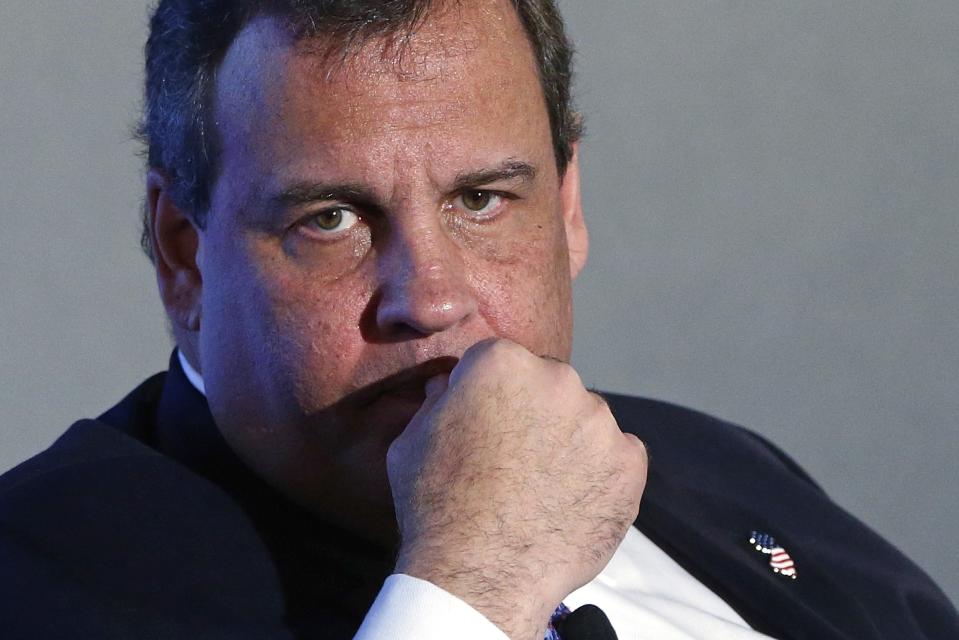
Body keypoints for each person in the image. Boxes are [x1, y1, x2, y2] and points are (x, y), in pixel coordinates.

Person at [0, 1, 955, 638]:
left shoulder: (717, 466)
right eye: (330, 220)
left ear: (569, 207)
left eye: (483, 200)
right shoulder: (36, 579)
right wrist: (469, 587)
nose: (432, 297)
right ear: (181, 252)